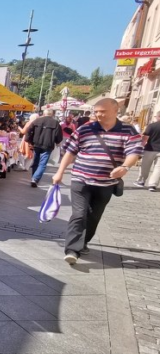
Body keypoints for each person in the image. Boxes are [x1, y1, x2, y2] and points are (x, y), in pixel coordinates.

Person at [53, 98, 143, 264]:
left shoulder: (128, 130)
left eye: (103, 111)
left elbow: (134, 152)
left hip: (106, 183)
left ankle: (84, 241)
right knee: (79, 214)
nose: (99, 114)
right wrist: (59, 172)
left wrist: (125, 167)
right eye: (97, 111)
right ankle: (72, 249)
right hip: (81, 179)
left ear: (116, 111)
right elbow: (70, 152)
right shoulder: (85, 128)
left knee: (94, 216)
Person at [26, 109, 63, 187]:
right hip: (47, 145)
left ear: (43, 113)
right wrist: (57, 141)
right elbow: (58, 135)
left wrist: (29, 141)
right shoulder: (55, 123)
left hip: (36, 144)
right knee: (42, 163)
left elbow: (29, 131)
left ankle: (34, 178)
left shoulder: (37, 121)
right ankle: (35, 179)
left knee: (36, 162)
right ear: (52, 114)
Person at [137, 112, 160, 190]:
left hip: (150, 149)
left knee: (145, 166)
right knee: (158, 168)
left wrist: (140, 147)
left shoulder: (152, 126)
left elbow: (145, 139)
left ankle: (141, 181)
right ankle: (152, 185)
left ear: (158, 117)